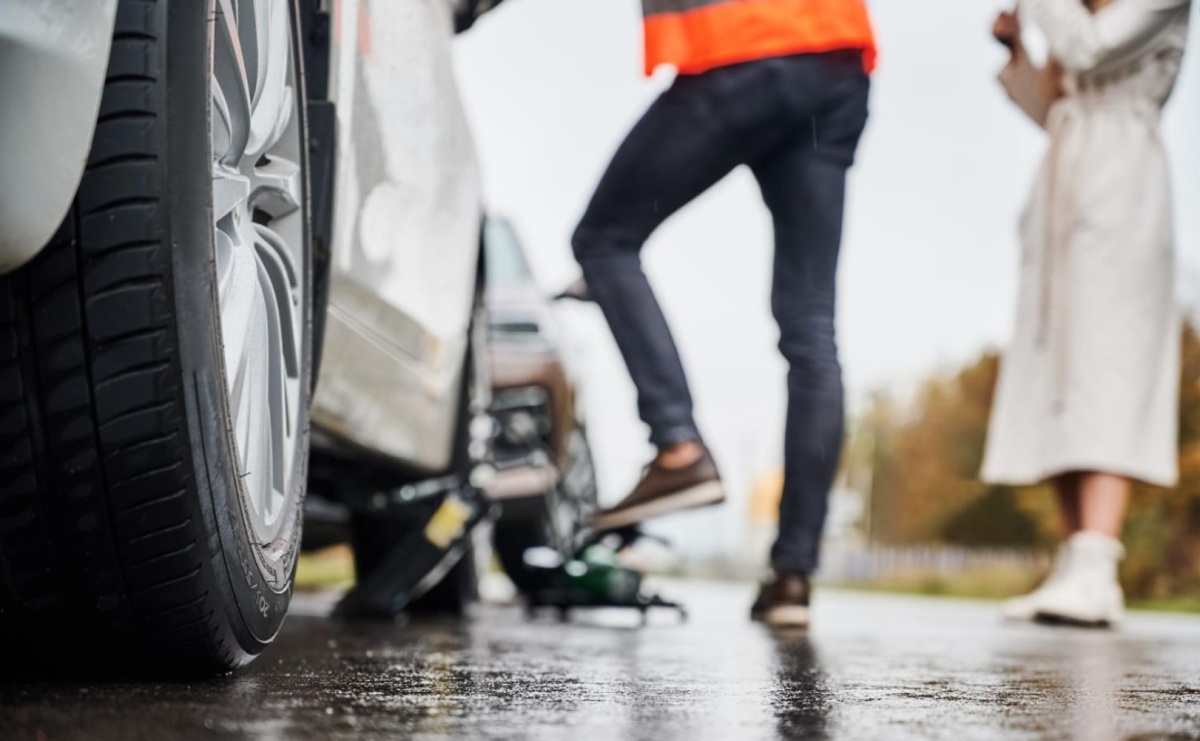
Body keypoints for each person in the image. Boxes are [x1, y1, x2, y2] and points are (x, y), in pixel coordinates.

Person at [570, 0, 876, 627]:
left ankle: (677, 445)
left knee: (604, 239)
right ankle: (793, 575)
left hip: (738, 47)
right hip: (836, 59)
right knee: (812, 328)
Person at [984, 0, 1191, 627]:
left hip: (1123, 183)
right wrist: (1016, 54)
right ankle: (1074, 564)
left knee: (1107, 362)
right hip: (1063, 182)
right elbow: (1054, 108)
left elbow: (1090, 50)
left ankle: (1099, 564)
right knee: (1058, 369)